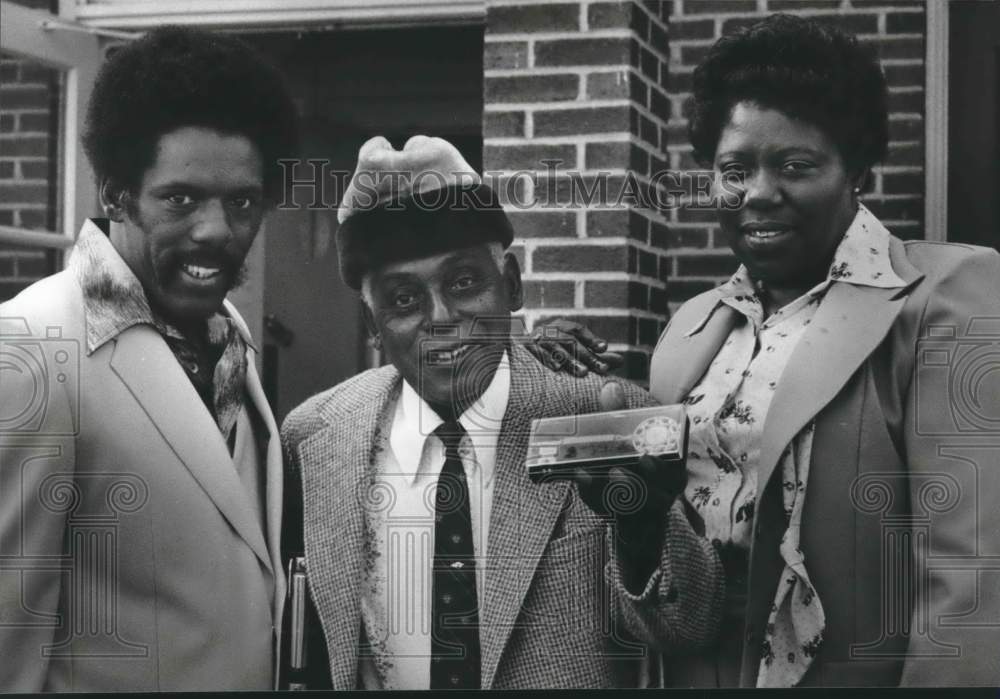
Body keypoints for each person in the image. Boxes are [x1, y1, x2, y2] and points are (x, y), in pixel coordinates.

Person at [537, 13, 1000, 688]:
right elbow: (675, 583)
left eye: (794, 165)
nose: (757, 192)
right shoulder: (692, 330)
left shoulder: (944, 299)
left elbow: (969, 577)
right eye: (735, 169)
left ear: (856, 170)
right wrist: (637, 520)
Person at [279, 135, 724, 690]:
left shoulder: (601, 418)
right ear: (372, 325)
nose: (441, 319)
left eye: (464, 282)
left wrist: (641, 532)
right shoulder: (313, 438)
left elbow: (693, 628)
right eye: (402, 298)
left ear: (511, 285)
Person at [0, 27, 299, 691]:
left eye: (242, 201)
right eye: (181, 197)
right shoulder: (33, 344)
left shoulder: (228, 336)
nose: (217, 229)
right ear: (115, 194)